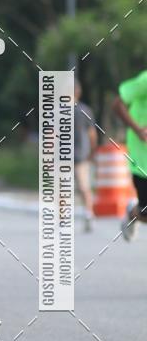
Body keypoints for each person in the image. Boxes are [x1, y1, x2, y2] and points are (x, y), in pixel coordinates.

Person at [113, 70, 147, 241]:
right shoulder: (145, 81)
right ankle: (132, 213)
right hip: (143, 158)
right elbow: (117, 104)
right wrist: (138, 130)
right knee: (146, 213)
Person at [73, 80, 98, 232]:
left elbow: (50, 135)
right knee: (84, 187)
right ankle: (88, 214)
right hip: (81, 154)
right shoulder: (85, 110)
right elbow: (92, 134)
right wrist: (92, 152)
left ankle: (64, 220)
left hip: (68, 156)